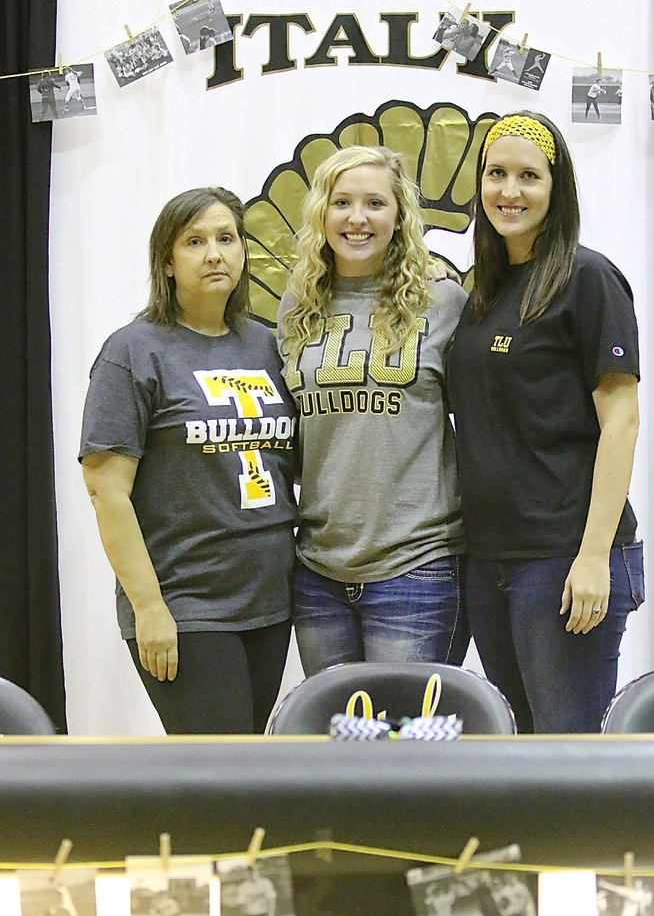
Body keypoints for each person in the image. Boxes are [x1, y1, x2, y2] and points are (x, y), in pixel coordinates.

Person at [449, 112, 644, 733]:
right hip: (488, 561)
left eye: (529, 176)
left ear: (557, 190)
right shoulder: (482, 293)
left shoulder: (588, 278)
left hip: (562, 559)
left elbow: (622, 423)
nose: (510, 191)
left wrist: (592, 560)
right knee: (523, 755)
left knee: (568, 761)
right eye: (496, 174)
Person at [80, 187, 297, 733]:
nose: (214, 254)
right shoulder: (132, 351)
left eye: (227, 238)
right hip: (186, 605)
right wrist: (150, 609)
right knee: (218, 784)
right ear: (168, 263)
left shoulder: (268, 346)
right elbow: (108, 492)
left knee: (244, 768)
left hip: (270, 601)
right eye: (195, 242)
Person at [277, 145, 468, 676]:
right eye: (342, 203)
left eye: (375, 204)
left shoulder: (441, 302)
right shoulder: (297, 306)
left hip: (417, 567)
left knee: (405, 749)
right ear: (321, 213)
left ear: (399, 215)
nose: (357, 218)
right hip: (317, 571)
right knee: (340, 747)